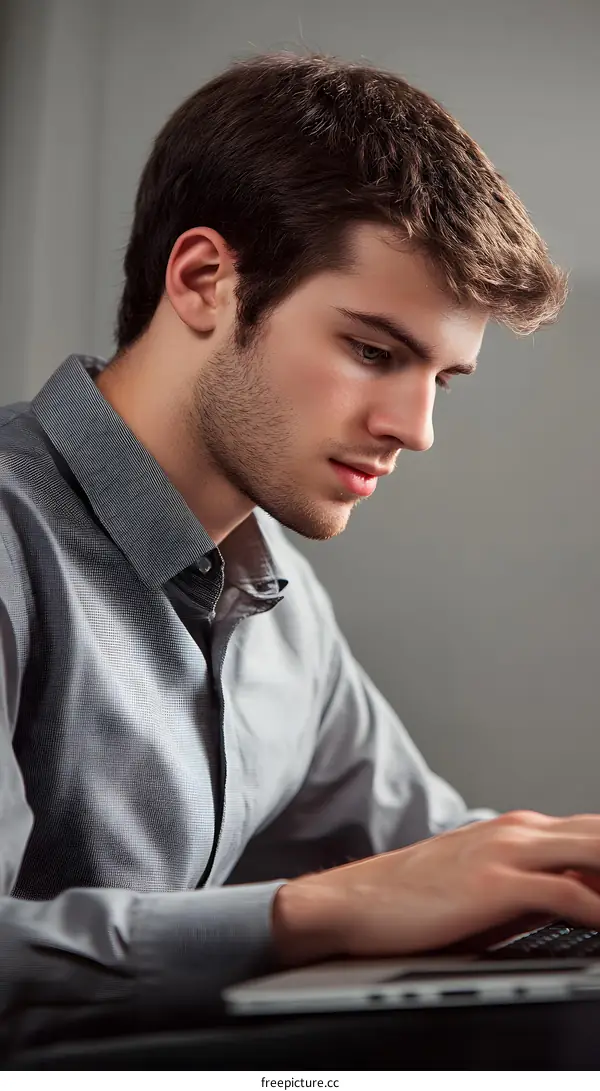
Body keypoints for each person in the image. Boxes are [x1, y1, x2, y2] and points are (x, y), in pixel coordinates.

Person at [2, 50, 600, 1053]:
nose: (416, 428)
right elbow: (377, 890)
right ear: (202, 281)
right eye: (374, 350)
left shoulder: (279, 600)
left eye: (441, 380)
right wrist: (314, 910)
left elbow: (428, 853)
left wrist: (559, 865)